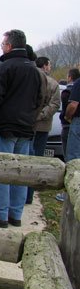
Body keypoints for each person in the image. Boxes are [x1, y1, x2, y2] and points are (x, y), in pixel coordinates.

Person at [0, 29, 42, 228]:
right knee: (19, 172)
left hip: (5, 128)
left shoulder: (5, 68)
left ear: (9, 46)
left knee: (2, 171)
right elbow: (39, 100)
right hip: (25, 128)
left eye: (2, 44)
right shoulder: (34, 70)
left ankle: (0, 213)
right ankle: (16, 213)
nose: (1, 47)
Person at [26, 57, 60, 204]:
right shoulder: (53, 83)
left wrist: (33, 116)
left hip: (29, 123)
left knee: (27, 157)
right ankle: (30, 193)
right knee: (38, 159)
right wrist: (42, 115)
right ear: (45, 66)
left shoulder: (30, 79)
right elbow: (55, 104)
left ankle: (24, 191)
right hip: (43, 125)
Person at [56, 68, 80, 201]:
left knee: (73, 159)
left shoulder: (78, 84)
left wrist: (67, 116)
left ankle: (70, 193)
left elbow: (73, 104)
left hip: (78, 122)